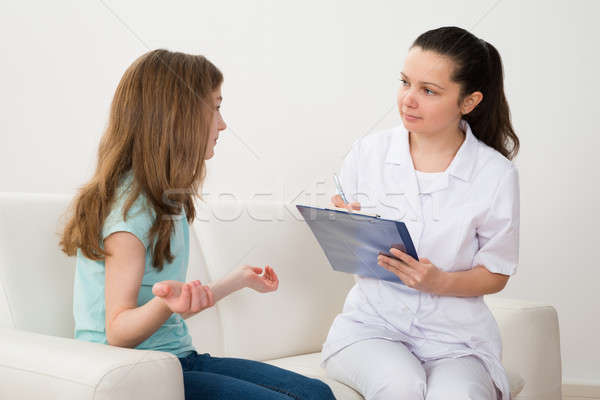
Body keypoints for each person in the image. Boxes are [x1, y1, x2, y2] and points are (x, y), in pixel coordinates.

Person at [59, 49, 335, 400]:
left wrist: (237, 281)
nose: (222, 124)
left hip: (177, 361)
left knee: (316, 392)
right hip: (135, 374)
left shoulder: (165, 200)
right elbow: (118, 332)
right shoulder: (128, 215)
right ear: (179, 117)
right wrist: (166, 305)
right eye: (216, 108)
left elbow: (175, 304)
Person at [322, 26, 520, 400]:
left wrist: (439, 283)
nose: (408, 100)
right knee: (401, 384)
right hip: (372, 327)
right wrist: (344, 223)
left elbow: (497, 272)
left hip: (455, 340)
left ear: (469, 101)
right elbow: (345, 232)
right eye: (405, 83)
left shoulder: (495, 174)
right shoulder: (368, 152)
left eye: (428, 91)